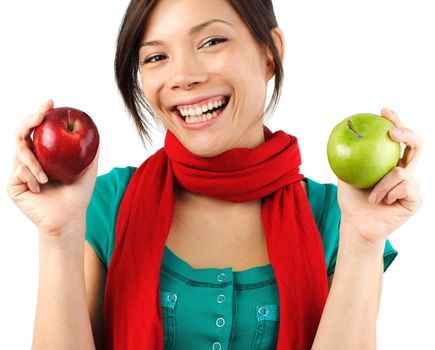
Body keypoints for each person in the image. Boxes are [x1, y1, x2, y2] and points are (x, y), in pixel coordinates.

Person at [7, 0, 423, 349]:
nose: (183, 76)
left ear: (269, 52)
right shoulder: (107, 203)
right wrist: (58, 235)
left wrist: (364, 241)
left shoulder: (336, 218)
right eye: (156, 57)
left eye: (211, 41)